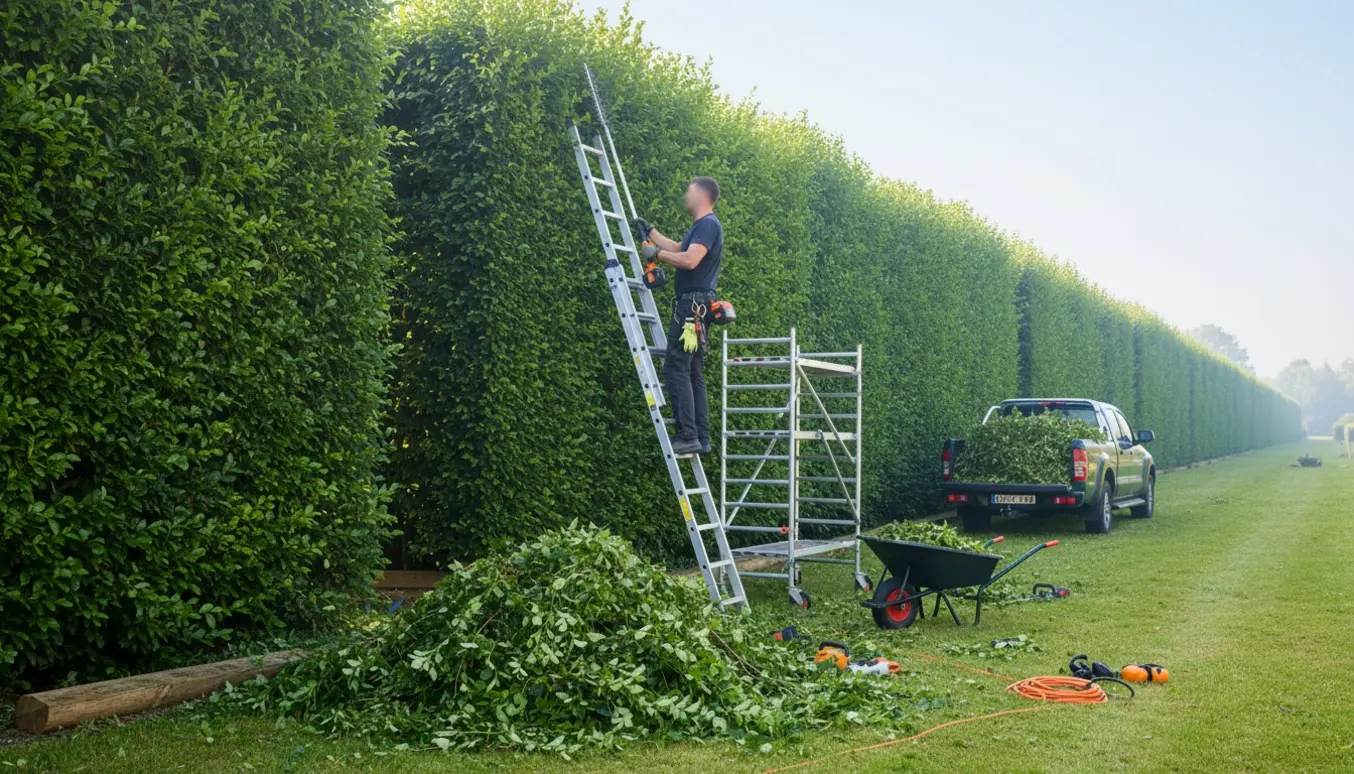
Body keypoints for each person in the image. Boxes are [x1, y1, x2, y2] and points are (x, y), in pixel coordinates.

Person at [632, 177, 723, 456]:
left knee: (676, 367)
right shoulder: (701, 226)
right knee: (693, 372)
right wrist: (650, 232)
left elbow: (690, 260)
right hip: (699, 307)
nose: (686, 194)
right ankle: (701, 438)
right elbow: (678, 248)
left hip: (691, 308)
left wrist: (654, 254)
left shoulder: (708, 224)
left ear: (701, 194)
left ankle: (688, 435)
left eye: (689, 190)